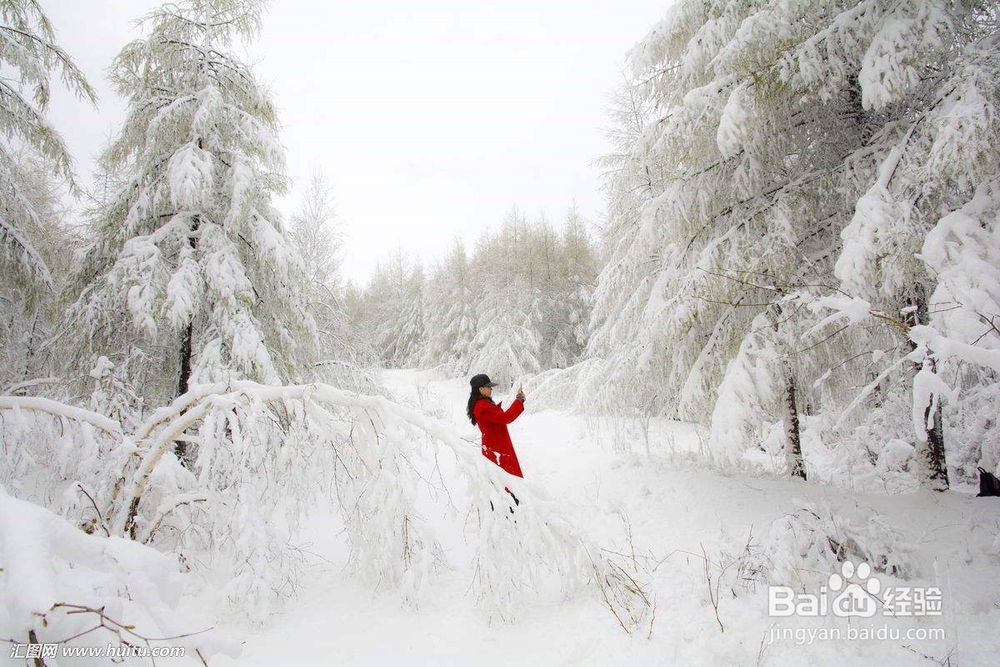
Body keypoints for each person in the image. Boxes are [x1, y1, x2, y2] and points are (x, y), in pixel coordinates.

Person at [467, 374, 526, 506]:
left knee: (502, 483)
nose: (491, 389)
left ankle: (508, 509)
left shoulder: (482, 404)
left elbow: (500, 416)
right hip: (497, 450)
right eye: (488, 387)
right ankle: (509, 511)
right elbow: (506, 417)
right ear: (481, 389)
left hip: (496, 446)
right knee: (504, 484)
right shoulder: (483, 406)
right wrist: (518, 401)